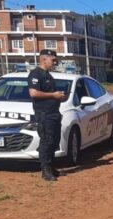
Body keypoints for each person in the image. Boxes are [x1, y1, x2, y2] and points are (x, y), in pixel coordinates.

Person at [28, 49, 66, 181]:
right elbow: (33, 93)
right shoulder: (36, 74)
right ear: (44, 59)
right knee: (47, 141)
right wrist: (53, 95)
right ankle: (45, 170)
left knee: (54, 141)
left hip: (54, 113)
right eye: (53, 60)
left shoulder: (48, 75)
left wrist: (58, 97)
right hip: (44, 114)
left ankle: (51, 167)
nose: (55, 63)